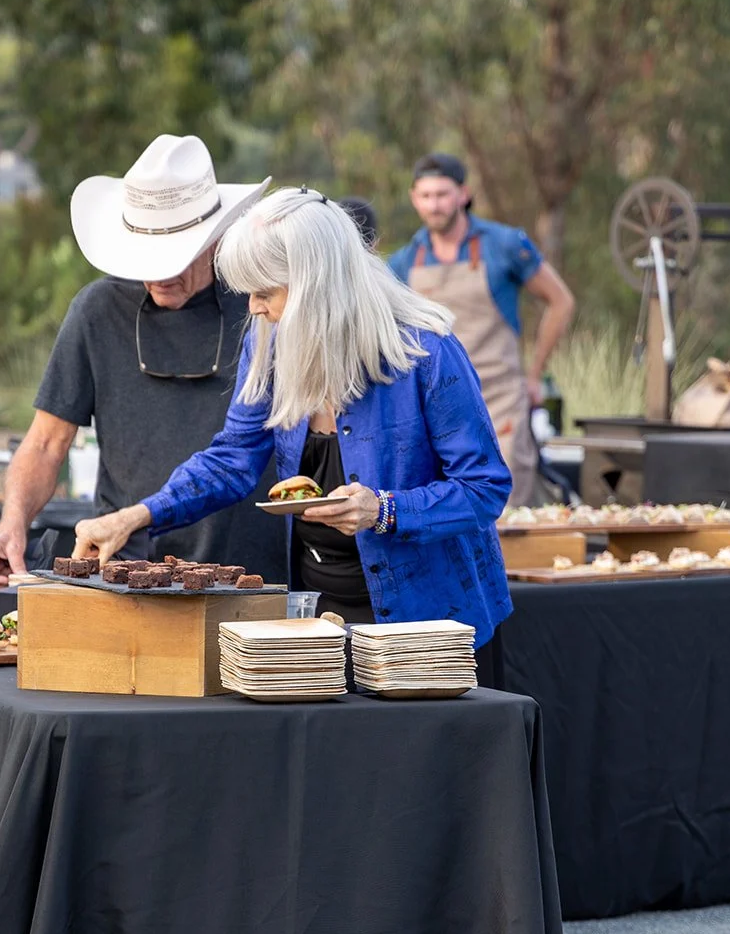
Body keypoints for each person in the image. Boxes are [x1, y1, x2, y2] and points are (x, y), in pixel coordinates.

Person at [75, 186, 513, 673]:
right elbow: (234, 457)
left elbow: (484, 489)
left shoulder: (427, 352)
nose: (255, 308)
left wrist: (384, 510)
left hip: (428, 629)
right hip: (319, 617)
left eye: (266, 292)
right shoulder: (269, 345)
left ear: (317, 286)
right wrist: (136, 516)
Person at [0, 134, 285, 588]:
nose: (159, 274)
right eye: (145, 256)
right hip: (126, 564)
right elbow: (45, 442)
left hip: (252, 567)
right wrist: (13, 522)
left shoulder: (262, 306)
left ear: (215, 237)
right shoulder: (97, 311)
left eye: (175, 256)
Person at [389, 152, 575, 508]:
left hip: (500, 399)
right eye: (425, 196)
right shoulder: (403, 262)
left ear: (463, 194)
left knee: (507, 506)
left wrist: (534, 375)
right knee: (447, 507)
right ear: (414, 198)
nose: (434, 205)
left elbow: (560, 301)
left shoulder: (504, 245)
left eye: (443, 194)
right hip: (436, 407)